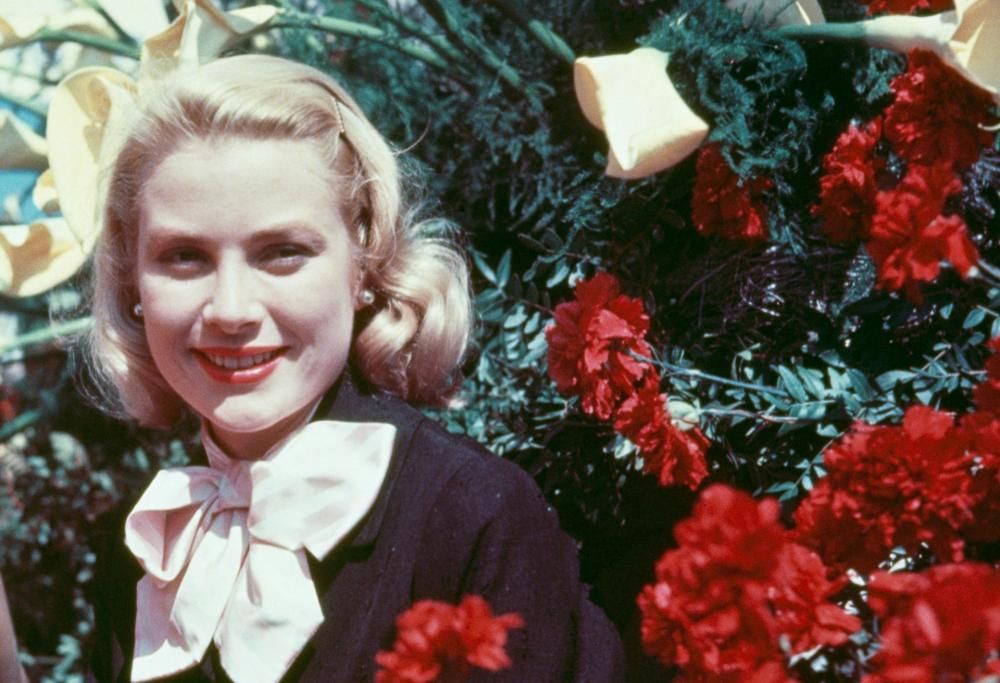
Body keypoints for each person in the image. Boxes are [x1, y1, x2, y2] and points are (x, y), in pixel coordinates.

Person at [1, 54, 624, 682]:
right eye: (184, 256)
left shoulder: (472, 517)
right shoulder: (144, 544)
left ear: (364, 264)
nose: (231, 310)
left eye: (283, 253)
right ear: (131, 281)